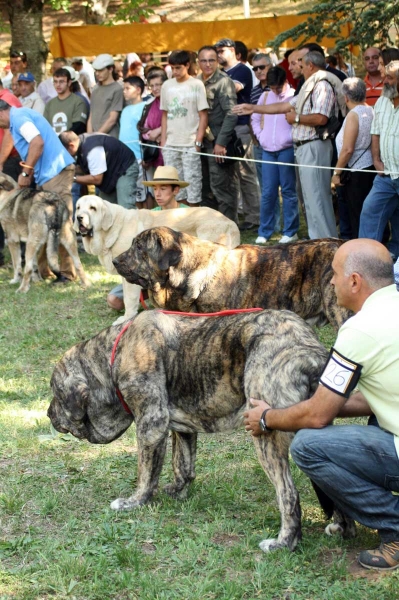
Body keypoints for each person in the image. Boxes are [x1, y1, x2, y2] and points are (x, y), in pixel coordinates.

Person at [244, 238, 399, 572]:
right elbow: (378, 396)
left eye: (334, 273)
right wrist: (309, 404)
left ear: (355, 281)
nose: (330, 281)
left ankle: (395, 524)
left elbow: (318, 416)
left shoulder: (360, 329)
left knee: (309, 447)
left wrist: (268, 417)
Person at [235, 51, 341, 239]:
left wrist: (297, 118)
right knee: (309, 199)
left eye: (299, 63)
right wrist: (253, 108)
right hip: (302, 148)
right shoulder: (308, 86)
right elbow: (283, 107)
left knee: (317, 198)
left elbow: (321, 118)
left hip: (313, 146)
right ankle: (318, 240)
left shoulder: (321, 85)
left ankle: (326, 241)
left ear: (309, 65)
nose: (295, 67)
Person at [0, 100, 76, 281]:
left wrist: (26, 172)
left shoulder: (18, 118)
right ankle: (43, 272)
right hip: (46, 174)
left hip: (55, 172)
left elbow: (37, 142)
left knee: (60, 223)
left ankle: (67, 274)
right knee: (40, 224)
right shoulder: (19, 117)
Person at [107, 165, 188, 311]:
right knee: (114, 300)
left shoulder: (189, 214)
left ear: (176, 190)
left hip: (179, 274)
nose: (157, 194)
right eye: (155, 189)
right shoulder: (150, 215)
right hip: (151, 274)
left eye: (163, 189)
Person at [215, 38, 260, 231]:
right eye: (217, 51)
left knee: (246, 172)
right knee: (231, 174)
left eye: (222, 50)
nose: (219, 54)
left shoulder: (241, 70)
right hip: (225, 128)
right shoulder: (221, 73)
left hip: (241, 127)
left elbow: (234, 88)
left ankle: (255, 216)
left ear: (233, 51)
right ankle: (238, 214)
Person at [251, 66, 299, 244]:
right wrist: (260, 135)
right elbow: (255, 118)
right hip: (267, 150)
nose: (275, 91)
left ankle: (290, 230)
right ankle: (265, 231)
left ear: (285, 82)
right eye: (272, 87)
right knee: (268, 192)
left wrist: (289, 138)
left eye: (278, 87)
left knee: (288, 190)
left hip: (286, 149)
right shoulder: (265, 96)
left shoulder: (294, 96)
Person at [359, 60, 399, 260]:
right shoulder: (382, 101)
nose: (385, 82)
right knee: (370, 211)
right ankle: (367, 261)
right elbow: (375, 132)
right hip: (385, 175)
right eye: (384, 77)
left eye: (390, 78)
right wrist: (376, 159)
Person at [197, 45, 240, 222]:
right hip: (202, 142)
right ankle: (211, 229)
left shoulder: (223, 81)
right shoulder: (196, 81)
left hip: (219, 142)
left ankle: (229, 227)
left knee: (222, 188)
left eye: (211, 60)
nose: (208, 64)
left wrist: (221, 143)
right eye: (204, 60)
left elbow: (232, 113)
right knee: (205, 189)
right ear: (198, 62)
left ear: (217, 61)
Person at [160, 50, 208, 206]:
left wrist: (198, 141)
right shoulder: (167, 85)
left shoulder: (196, 84)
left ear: (187, 65)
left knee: (192, 185)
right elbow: (165, 115)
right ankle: (179, 219)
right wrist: (163, 142)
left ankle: (193, 218)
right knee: (175, 185)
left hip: (190, 143)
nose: (175, 72)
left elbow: (203, 115)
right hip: (171, 143)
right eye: (172, 68)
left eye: (178, 68)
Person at [332, 78, 375, 239]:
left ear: (346, 97)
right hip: (369, 168)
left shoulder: (354, 115)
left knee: (356, 216)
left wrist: (336, 173)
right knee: (365, 214)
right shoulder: (371, 110)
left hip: (355, 173)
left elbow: (348, 149)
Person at [59, 130, 138, 209]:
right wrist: (66, 172)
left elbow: (97, 179)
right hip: (111, 172)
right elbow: (84, 168)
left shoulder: (92, 149)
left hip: (125, 167)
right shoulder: (80, 143)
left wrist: (72, 178)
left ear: (71, 146)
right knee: (105, 211)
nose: (64, 156)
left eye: (64, 152)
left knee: (126, 209)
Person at [137, 70, 167, 208]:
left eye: (159, 85)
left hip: (169, 152)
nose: (155, 88)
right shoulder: (149, 105)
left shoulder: (173, 102)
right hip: (153, 154)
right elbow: (143, 128)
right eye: (152, 85)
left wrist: (161, 130)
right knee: (156, 190)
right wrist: (152, 135)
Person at [0, 80, 22, 267]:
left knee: (13, 209)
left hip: (10, 162)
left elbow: (10, 134)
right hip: (4, 161)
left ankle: (21, 257)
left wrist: (0, 162)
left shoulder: (8, 100)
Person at [44, 67, 88, 135]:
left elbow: (79, 126)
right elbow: (45, 127)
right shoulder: (49, 104)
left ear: (69, 83)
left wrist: (62, 139)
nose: (58, 85)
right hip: (52, 143)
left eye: (61, 81)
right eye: (55, 81)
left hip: (71, 143)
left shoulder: (78, 102)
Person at [88, 54, 123, 138]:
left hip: (110, 138)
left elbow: (112, 119)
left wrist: (95, 136)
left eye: (100, 70)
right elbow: (91, 116)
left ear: (110, 69)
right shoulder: (95, 89)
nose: (97, 73)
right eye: (96, 70)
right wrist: (89, 136)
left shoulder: (117, 89)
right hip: (94, 138)